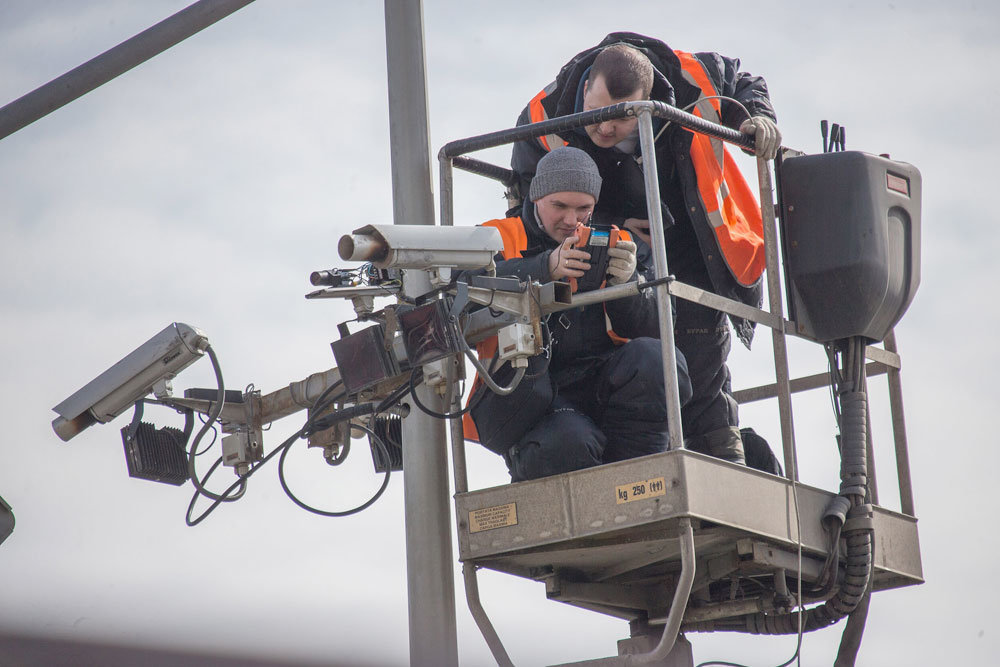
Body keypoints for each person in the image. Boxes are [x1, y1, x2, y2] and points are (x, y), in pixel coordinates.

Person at [510, 32, 781, 467]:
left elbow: (743, 80)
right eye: (596, 111)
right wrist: (608, 227)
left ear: (648, 97)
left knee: (697, 354)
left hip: (690, 241)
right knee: (630, 353)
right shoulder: (545, 112)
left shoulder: (690, 76)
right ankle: (643, 457)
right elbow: (533, 201)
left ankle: (723, 461)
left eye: (619, 119)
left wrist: (759, 119)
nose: (603, 126)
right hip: (608, 248)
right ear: (585, 88)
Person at [463, 146, 692, 482]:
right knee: (568, 444)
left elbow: (663, 326)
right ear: (537, 197)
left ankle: (641, 483)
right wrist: (544, 267)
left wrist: (628, 284)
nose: (572, 221)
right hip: (534, 396)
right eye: (560, 206)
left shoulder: (620, 243)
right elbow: (459, 291)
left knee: (658, 360)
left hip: (600, 380)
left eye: (583, 209)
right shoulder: (495, 236)